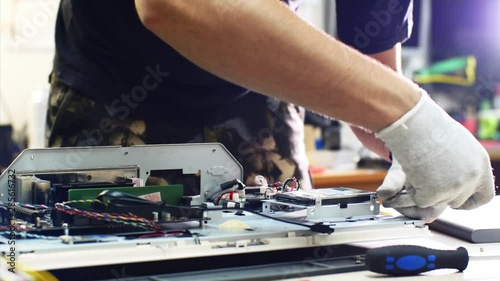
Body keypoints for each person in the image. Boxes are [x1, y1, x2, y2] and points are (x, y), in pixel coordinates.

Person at [46, 0, 495, 222]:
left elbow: (376, 64)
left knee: (298, 255)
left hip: (262, 94)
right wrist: (413, 116)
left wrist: (403, 133)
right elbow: (178, 6)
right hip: (118, 94)